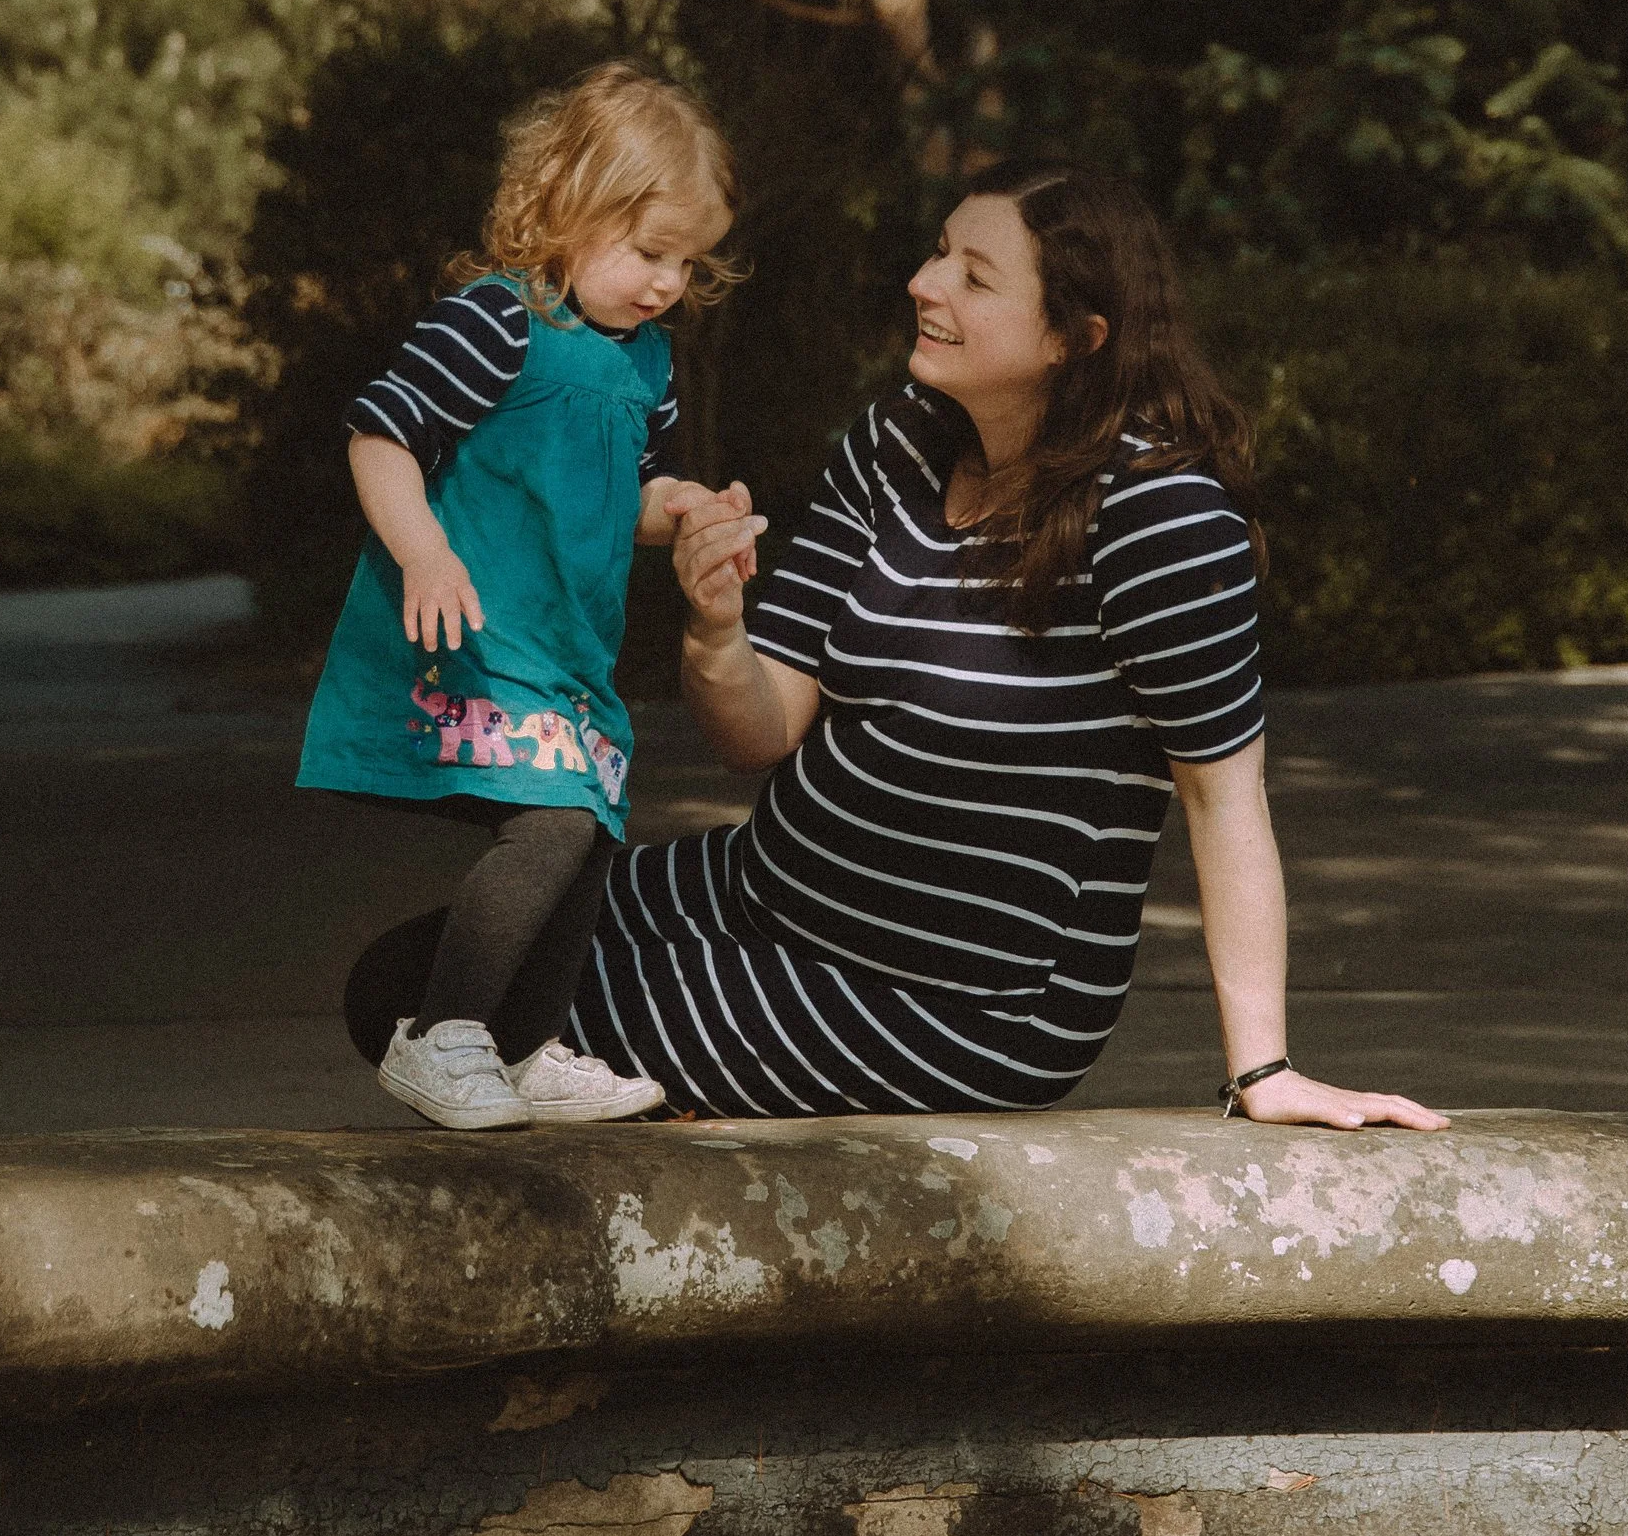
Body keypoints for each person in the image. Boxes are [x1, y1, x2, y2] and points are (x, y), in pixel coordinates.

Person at [563, 161, 1449, 1130]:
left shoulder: (1158, 518)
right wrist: (714, 625)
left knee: (507, 1016)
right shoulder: (896, 441)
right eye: (939, 251)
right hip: (759, 892)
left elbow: (1222, 793)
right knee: (446, 970)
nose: (924, 283)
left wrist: (1263, 1071)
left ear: (1075, 338)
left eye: (974, 276)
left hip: (951, 1011)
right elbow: (758, 733)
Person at [305, 62, 742, 1131]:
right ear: (566, 208)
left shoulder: (645, 365)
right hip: (470, 633)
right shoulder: (495, 321)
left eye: (683, 263)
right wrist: (424, 554)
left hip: (563, 655)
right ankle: (440, 1034)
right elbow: (381, 435)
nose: (664, 285)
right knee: (551, 820)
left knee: (589, 832)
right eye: (647, 253)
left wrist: (677, 505)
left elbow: (619, 495)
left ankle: (521, 1048)